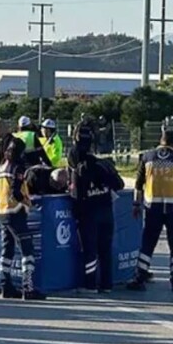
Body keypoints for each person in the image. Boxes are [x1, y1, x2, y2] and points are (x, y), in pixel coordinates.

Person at [127, 130, 173, 293]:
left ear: (161, 140)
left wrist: (136, 204)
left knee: (148, 243)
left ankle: (140, 278)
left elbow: (138, 183)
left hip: (153, 207)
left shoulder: (147, 157)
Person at [70, 125, 125, 293]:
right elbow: (119, 184)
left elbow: (76, 195)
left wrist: (77, 214)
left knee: (90, 251)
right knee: (105, 250)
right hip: (106, 211)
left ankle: (90, 284)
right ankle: (106, 285)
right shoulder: (103, 165)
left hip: (89, 214)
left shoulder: (79, 170)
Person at [0, 139, 45, 300]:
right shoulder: (17, 168)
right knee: (27, 250)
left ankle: (5, 286)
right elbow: (16, 193)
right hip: (16, 212)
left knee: (6, 251)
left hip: (2, 213)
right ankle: (28, 288)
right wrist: (29, 202)